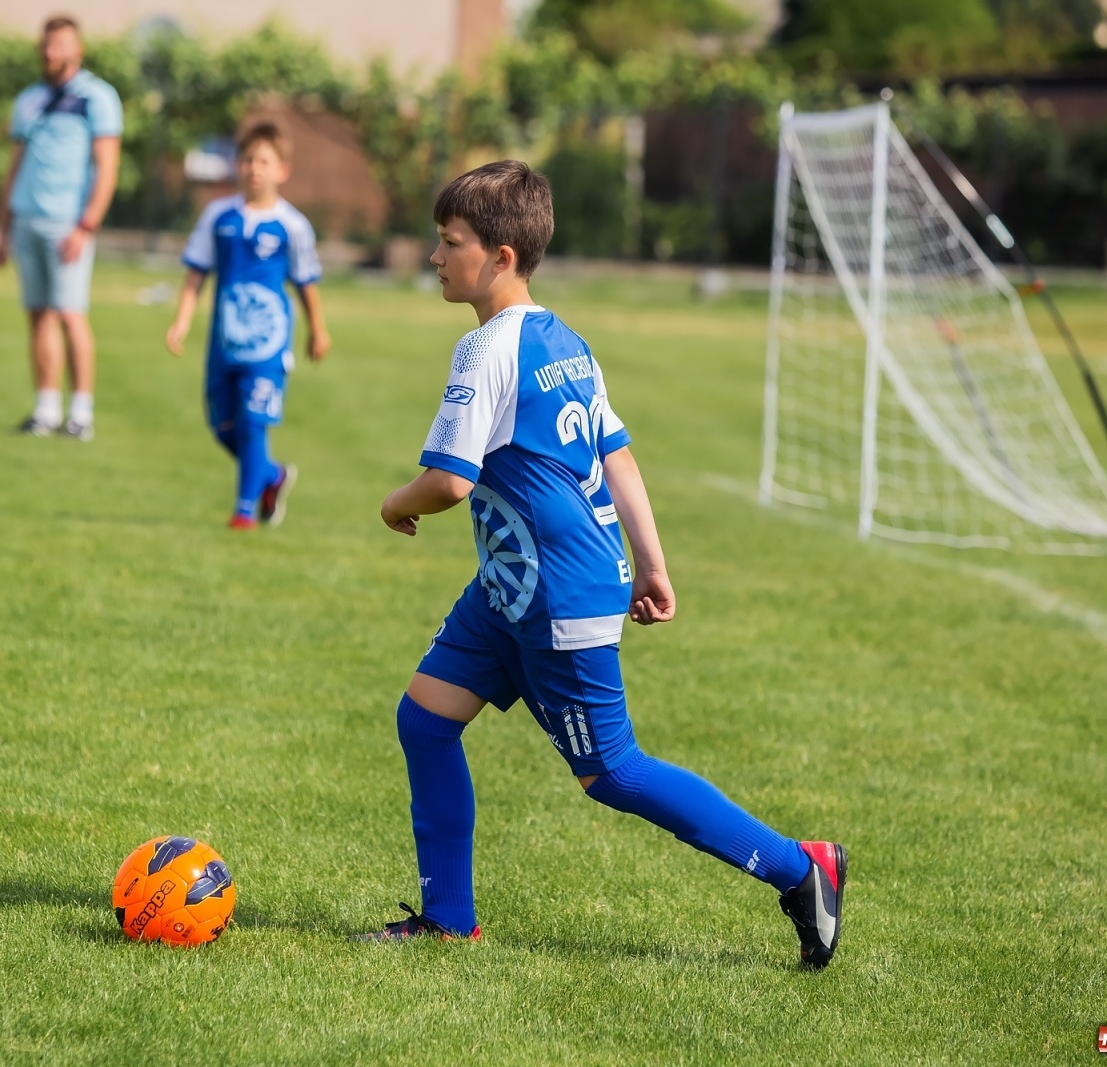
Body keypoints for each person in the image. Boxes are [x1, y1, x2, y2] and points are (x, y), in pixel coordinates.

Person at [356, 161, 848, 968]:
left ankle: (803, 867)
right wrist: (652, 564)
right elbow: (616, 455)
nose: (435, 257)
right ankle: (448, 917)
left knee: (612, 771)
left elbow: (449, 479)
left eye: (451, 243)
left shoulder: (487, 347)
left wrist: (394, 504)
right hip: (511, 586)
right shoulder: (565, 339)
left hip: (558, 589)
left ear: (503, 256)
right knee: (426, 719)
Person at [164, 123, 331, 529]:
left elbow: (306, 282)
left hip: (268, 345)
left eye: (264, 162)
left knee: (254, 422)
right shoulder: (218, 215)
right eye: (248, 160)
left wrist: (318, 329)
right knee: (224, 428)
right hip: (223, 342)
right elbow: (195, 274)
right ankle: (272, 475)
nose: (254, 169)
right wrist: (181, 322)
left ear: (282, 171)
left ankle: (243, 512)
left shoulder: (292, 225)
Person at [0, 16, 122, 441]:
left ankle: (81, 413)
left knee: (70, 315)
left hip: (68, 223)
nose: (51, 53)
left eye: (60, 45)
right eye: (46, 45)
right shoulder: (28, 99)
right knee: (38, 315)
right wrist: (2, 226)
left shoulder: (97, 97)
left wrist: (86, 225)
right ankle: (46, 409)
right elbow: (16, 165)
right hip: (26, 219)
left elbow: (107, 168)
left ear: (77, 50)